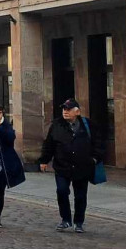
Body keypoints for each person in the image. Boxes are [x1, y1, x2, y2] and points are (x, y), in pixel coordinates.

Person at [39, 98, 105, 233]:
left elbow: (98, 143)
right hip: (62, 166)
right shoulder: (57, 125)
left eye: (68, 109)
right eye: (64, 109)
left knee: (80, 196)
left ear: (77, 112)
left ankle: (79, 222)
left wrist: (94, 159)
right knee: (62, 191)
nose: (65, 112)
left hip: (82, 167)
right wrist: (44, 160)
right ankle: (65, 219)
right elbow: (49, 144)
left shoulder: (88, 125)